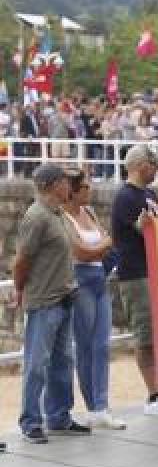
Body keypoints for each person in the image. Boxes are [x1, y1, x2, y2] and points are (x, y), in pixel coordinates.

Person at [13, 164, 93, 444]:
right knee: (37, 364)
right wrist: (19, 289)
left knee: (62, 362)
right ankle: (31, 422)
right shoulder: (36, 218)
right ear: (52, 185)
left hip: (62, 299)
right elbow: (22, 259)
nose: (68, 186)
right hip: (44, 301)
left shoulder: (56, 213)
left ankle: (59, 416)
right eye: (64, 181)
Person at [111, 144, 158, 415]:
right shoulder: (125, 196)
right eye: (153, 164)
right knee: (145, 334)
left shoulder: (148, 193)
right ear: (141, 166)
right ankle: (154, 393)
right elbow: (142, 231)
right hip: (136, 273)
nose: (157, 169)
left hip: (153, 271)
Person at [64, 170, 124, 431]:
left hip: (99, 278)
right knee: (85, 346)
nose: (90, 190)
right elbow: (82, 252)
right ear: (74, 190)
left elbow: (102, 246)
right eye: (86, 187)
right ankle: (93, 406)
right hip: (81, 280)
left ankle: (101, 405)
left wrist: (100, 248)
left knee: (102, 345)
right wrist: (103, 245)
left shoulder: (88, 213)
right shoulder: (66, 218)